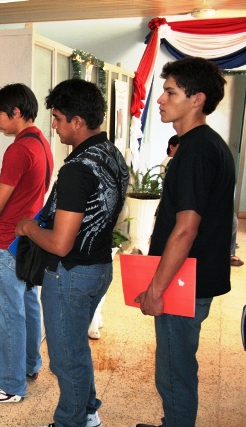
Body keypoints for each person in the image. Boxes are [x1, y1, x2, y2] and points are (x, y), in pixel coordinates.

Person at [16, 78, 129, 427]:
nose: (54, 124)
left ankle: (72, 421)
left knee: (66, 357)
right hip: (99, 268)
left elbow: (60, 243)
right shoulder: (110, 154)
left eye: (58, 118)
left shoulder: (77, 169)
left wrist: (28, 227)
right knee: (76, 347)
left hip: (71, 275)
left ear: (77, 121)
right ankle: (88, 410)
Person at [134, 57, 234, 427]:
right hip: (190, 276)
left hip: (184, 282)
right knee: (176, 364)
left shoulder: (195, 150)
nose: (160, 99)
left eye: (170, 92)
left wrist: (156, 289)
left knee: (174, 370)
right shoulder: (206, 145)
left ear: (197, 99)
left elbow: (185, 229)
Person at [0, 83, 53, 403]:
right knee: (28, 303)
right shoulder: (42, 143)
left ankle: (9, 385)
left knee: (9, 313)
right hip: (29, 239)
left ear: (16, 112)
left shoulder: (19, 149)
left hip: (8, 239)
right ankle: (30, 365)